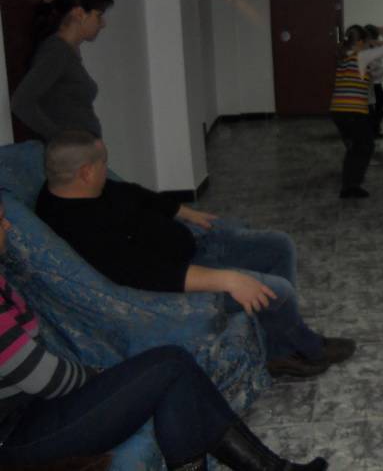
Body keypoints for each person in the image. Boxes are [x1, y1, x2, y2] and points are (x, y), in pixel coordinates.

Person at [0, 197, 327, 471]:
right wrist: (98, 377)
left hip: (33, 411)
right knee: (169, 366)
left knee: (174, 370)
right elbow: (46, 380)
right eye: (0, 221)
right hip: (15, 437)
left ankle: (272, 468)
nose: (9, 227)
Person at [34, 132, 353, 380]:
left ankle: (280, 348)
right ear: (87, 172)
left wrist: (184, 212)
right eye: (104, 164)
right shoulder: (77, 227)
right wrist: (228, 279)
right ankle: (307, 346)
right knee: (276, 290)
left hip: (192, 247)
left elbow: (132, 192)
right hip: (176, 280)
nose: (107, 169)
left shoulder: (83, 188)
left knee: (279, 245)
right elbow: (143, 272)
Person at [11, 0, 114, 140]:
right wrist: (61, 138)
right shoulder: (57, 51)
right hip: (71, 152)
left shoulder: (68, 50)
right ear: (79, 13)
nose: (103, 24)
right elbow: (21, 102)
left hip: (85, 149)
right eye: (98, 16)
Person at [330, 25, 383, 198]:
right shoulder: (361, 56)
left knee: (355, 148)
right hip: (353, 111)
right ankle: (351, 186)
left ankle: (349, 185)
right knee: (366, 146)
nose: (367, 46)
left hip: (338, 111)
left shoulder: (344, 57)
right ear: (359, 42)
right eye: (365, 42)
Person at [364, 24, 383, 139]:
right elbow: (371, 66)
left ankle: (374, 128)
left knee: (378, 101)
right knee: (379, 101)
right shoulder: (367, 47)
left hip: (376, 80)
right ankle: (374, 129)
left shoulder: (374, 45)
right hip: (372, 81)